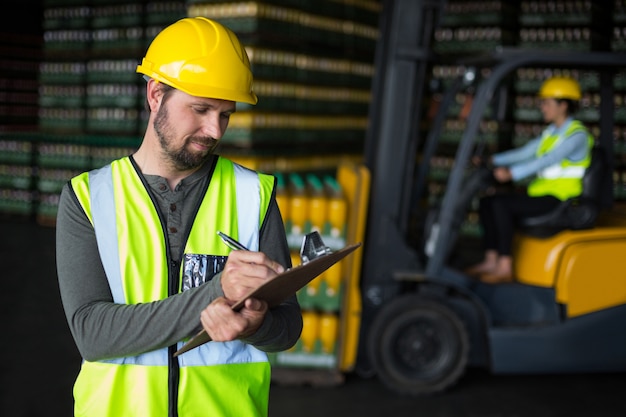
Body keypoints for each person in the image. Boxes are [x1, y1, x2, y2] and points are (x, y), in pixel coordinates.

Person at [55, 17, 303, 417]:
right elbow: (92, 333)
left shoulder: (253, 195)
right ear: (156, 94)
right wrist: (217, 294)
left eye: (225, 114)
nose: (214, 130)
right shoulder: (88, 197)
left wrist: (256, 325)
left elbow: (287, 329)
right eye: (201, 109)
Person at [466, 76, 594, 284]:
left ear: (563, 105)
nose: (542, 107)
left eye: (546, 102)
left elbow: (548, 159)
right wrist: (493, 159)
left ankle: (505, 265)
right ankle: (491, 259)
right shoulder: (552, 132)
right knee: (487, 202)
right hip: (542, 194)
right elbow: (525, 152)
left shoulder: (576, 135)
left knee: (501, 204)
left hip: (561, 199)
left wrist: (513, 174)